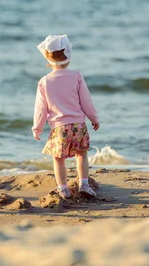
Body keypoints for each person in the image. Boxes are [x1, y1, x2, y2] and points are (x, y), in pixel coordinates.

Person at [32, 35, 100, 199]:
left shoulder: (45, 82)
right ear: (68, 57)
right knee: (81, 154)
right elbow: (86, 101)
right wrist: (94, 118)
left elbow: (41, 108)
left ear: (47, 58)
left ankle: (62, 188)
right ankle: (84, 183)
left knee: (58, 158)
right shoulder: (76, 76)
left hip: (59, 128)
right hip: (78, 125)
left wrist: (37, 127)